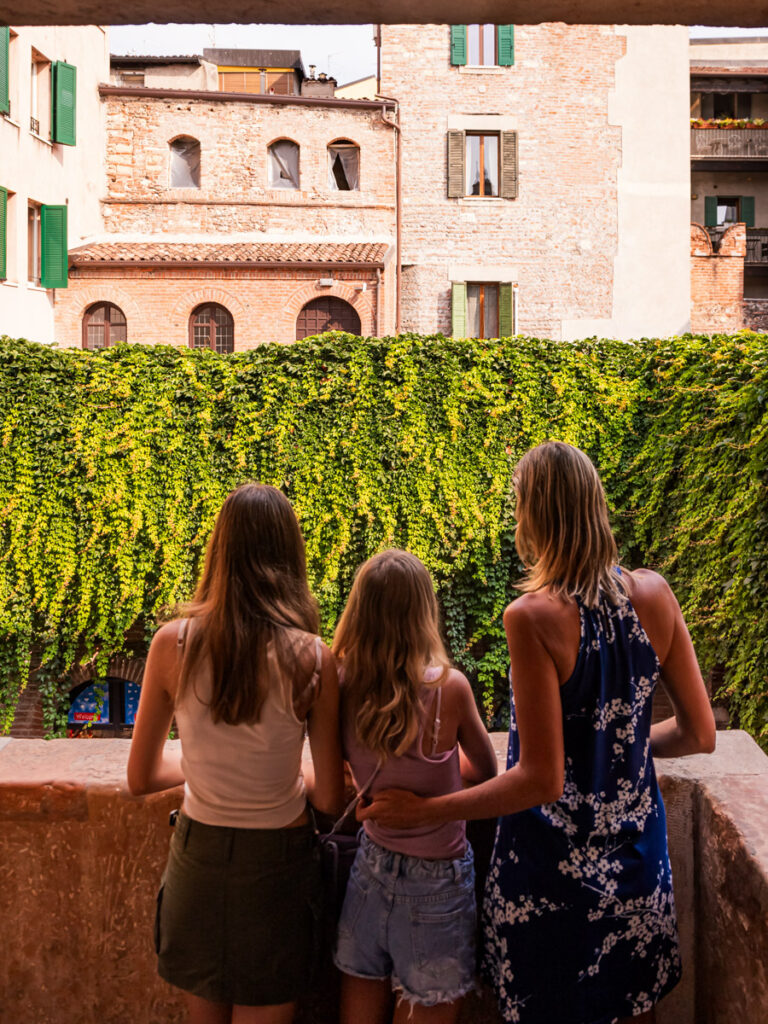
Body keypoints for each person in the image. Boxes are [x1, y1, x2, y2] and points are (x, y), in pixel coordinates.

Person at [360, 442, 716, 1024]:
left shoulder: (530, 618)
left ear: (536, 515)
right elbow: (702, 733)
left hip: (550, 881)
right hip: (638, 865)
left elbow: (540, 779)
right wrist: (619, 746)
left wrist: (427, 811)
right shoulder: (654, 593)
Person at [126, 483, 344, 1024]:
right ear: (289, 556)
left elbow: (141, 776)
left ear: (219, 552)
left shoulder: (171, 644)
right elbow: (334, 794)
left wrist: (201, 763)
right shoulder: (314, 659)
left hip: (198, 863)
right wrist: (279, 769)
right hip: (278, 867)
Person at [332, 549, 499, 1024]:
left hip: (370, 868)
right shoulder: (450, 689)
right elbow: (485, 773)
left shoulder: (341, 684)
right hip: (438, 882)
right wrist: (432, 790)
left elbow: (334, 771)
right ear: (424, 613)